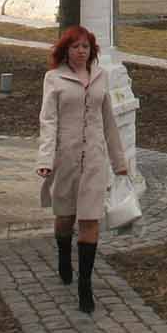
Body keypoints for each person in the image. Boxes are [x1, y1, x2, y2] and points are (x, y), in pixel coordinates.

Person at [36, 24, 129, 314]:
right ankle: (64, 256)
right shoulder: (54, 78)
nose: (80, 51)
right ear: (66, 50)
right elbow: (48, 121)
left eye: (85, 47)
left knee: (90, 218)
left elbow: (109, 122)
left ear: (92, 50)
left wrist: (119, 162)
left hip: (94, 160)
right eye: (75, 46)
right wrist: (45, 159)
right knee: (65, 217)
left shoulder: (101, 77)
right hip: (66, 158)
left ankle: (85, 285)